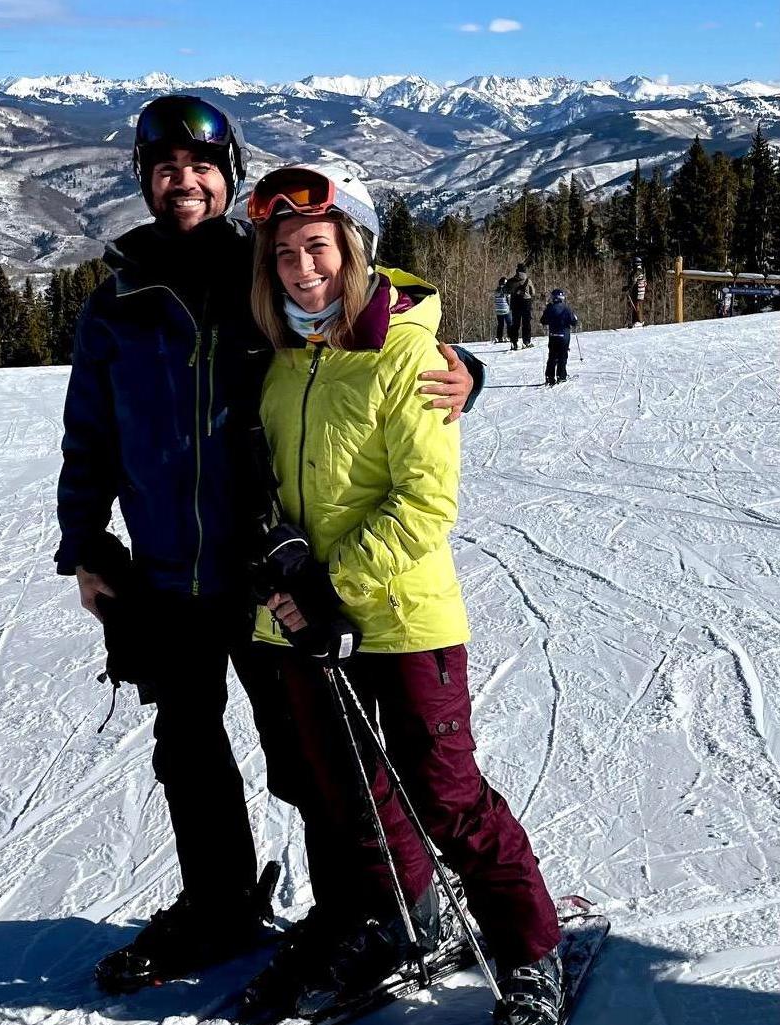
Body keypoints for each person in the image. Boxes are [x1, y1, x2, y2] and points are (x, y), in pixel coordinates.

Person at [54, 95, 483, 993]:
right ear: (145, 180)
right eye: (165, 165)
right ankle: (219, 905)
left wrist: (460, 365)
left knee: (308, 754)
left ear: (228, 176)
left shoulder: (266, 275)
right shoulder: (118, 299)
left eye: (201, 165)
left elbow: (375, 307)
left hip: (263, 569)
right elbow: (88, 432)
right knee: (189, 752)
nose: (184, 179)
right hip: (166, 570)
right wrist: (86, 542)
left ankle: (349, 908)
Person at [242, 164, 562, 1025]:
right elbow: (262, 485)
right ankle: (403, 918)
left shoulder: (411, 354)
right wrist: (280, 572)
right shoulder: (278, 363)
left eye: (318, 246)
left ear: (354, 249)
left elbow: (425, 502)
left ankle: (532, 949)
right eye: (284, 253)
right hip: (301, 628)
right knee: (352, 799)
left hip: (403, 618)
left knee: (447, 798)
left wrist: (330, 588)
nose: (302, 267)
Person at [540, 288, 579, 386]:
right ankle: (561, 376)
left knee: (552, 356)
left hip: (553, 335)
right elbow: (574, 322)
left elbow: (543, 321)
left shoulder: (550, 308)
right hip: (564, 336)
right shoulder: (566, 308)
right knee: (562, 356)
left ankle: (550, 376)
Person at [506, 262, 536, 349]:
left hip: (515, 303)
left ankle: (514, 342)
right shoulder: (528, 280)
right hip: (526, 303)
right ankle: (526, 342)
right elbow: (533, 292)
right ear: (525, 271)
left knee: (515, 324)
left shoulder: (511, 281)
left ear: (517, 270)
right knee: (526, 323)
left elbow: (506, 291)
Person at [625, 256, 646, 327]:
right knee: (635, 304)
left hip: (639, 290)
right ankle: (634, 321)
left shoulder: (638, 270)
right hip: (638, 290)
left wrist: (628, 287)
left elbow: (634, 281)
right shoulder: (640, 270)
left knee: (637, 305)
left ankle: (639, 320)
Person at [493, 275, 511, 342]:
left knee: (500, 324)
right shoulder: (506, 290)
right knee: (509, 323)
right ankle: (509, 336)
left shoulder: (496, 291)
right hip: (505, 309)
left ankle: (499, 337)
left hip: (498, 310)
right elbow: (508, 300)